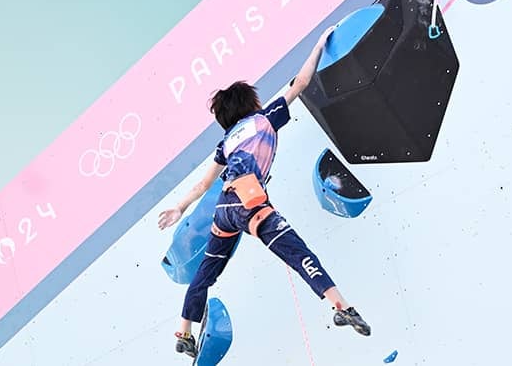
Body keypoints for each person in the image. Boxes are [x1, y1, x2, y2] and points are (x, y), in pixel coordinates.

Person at [158, 26, 371, 358]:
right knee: (296, 251)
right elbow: (300, 83)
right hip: (249, 201)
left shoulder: (225, 142)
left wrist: (179, 208)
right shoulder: (263, 119)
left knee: (206, 273)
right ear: (251, 103)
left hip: (224, 209)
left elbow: (203, 185)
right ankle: (341, 305)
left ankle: (183, 332)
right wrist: (318, 45)